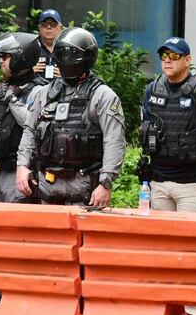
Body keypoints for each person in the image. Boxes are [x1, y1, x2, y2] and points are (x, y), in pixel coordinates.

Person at [16, 27, 126, 207]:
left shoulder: (102, 95)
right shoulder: (46, 92)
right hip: (47, 182)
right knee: (47, 234)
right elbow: (29, 130)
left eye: (71, 55)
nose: (65, 60)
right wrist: (22, 166)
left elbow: (114, 140)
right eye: (61, 54)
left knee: (82, 235)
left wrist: (106, 183)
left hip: (83, 183)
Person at [140, 37, 196, 212]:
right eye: (163, 55)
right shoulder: (152, 90)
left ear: (187, 60)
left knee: (192, 239)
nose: (167, 60)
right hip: (158, 182)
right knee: (161, 239)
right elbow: (145, 129)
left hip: (192, 184)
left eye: (174, 55)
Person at [0, 31, 49, 203]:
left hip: (17, 174)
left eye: (5, 57)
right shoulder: (3, 88)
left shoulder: (38, 90)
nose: (0, 61)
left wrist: (11, 100)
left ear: (20, 59)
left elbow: (33, 123)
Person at [33, 9, 63, 80]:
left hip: (61, 89)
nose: (49, 27)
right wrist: (28, 72)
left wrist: (66, 75)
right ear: (39, 27)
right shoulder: (31, 47)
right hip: (34, 89)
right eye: (44, 24)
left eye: (53, 24)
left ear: (60, 27)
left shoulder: (66, 49)